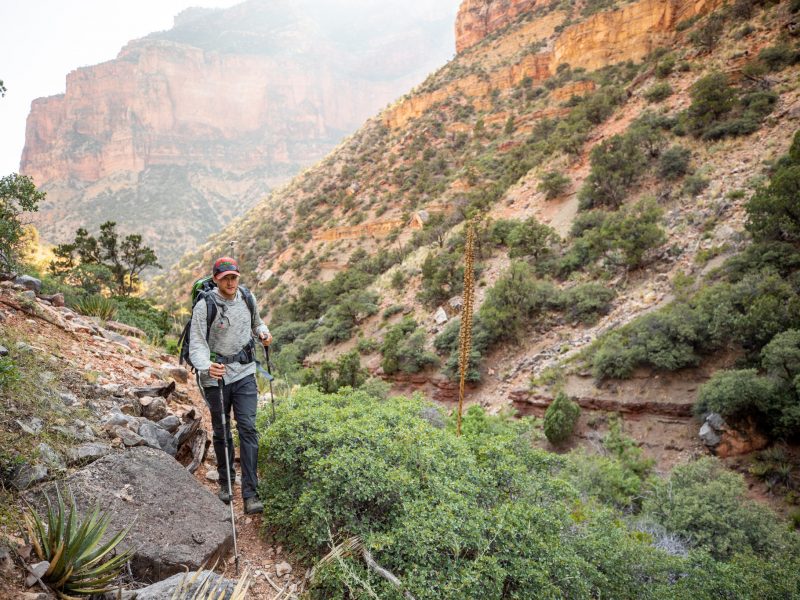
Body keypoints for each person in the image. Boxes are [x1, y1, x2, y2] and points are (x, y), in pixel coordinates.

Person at [188, 256, 272, 514]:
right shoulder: (205, 305)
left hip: (245, 372)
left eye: (233, 277)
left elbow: (257, 322)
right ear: (216, 279)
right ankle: (225, 482)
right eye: (225, 278)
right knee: (222, 430)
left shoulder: (248, 298)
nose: (230, 282)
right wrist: (206, 366)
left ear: (238, 277)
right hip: (216, 375)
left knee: (247, 428)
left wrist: (263, 333)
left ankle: (251, 492)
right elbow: (198, 342)